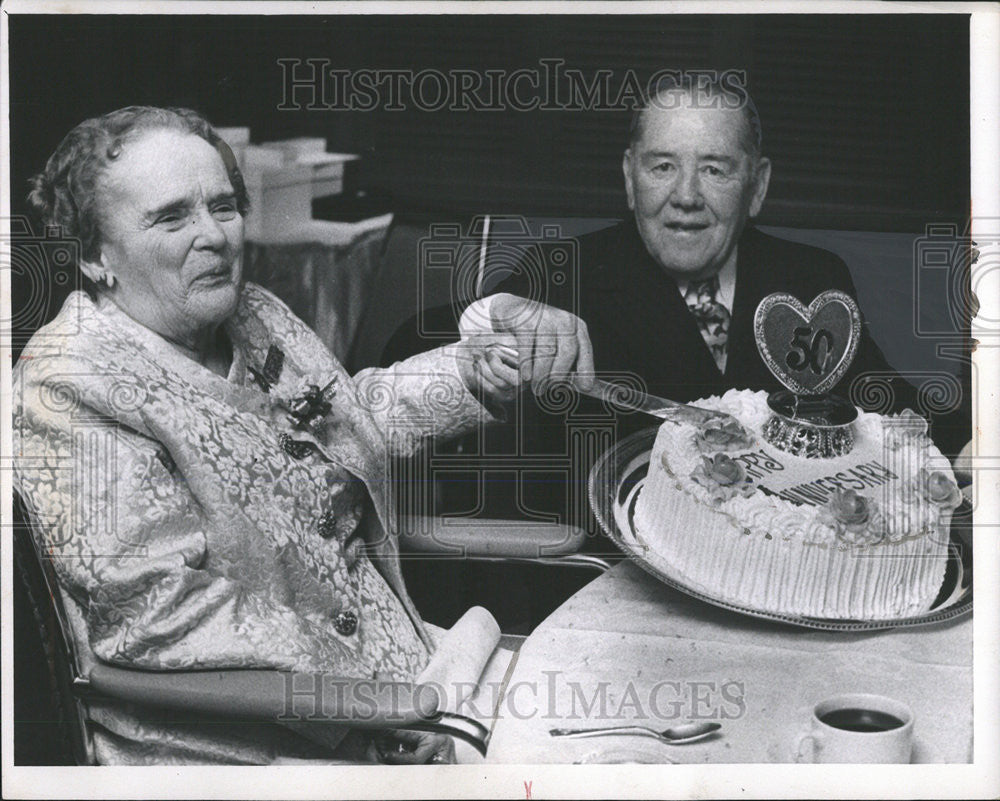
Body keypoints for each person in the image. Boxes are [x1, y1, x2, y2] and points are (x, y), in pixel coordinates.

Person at [12, 106, 594, 765]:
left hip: (409, 684)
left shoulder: (253, 314)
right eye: (172, 217)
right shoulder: (68, 388)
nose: (215, 236)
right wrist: (377, 699)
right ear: (94, 255)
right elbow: (157, 619)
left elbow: (343, 419)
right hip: (251, 740)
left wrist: (474, 370)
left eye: (224, 206)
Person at [384, 73, 971, 535]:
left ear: (757, 186)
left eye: (715, 169)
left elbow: (894, 420)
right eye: (662, 166)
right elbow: (407, 353)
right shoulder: (560, 274)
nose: (685, 196)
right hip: (613, 588)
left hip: (789, 579)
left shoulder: (812, 278)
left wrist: (976, 440)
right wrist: (495, 315)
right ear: (629, 177)